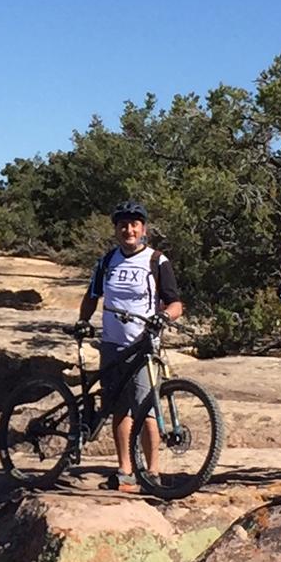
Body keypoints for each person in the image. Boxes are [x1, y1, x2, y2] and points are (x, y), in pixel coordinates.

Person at [77, 201, 184, 491]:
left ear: (143, 229)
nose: (129, 229)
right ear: (116, 230)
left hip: (144, 345)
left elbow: (175, 303)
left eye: (134, 224)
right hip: (112, 344)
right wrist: (82, 321)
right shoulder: (107, 261)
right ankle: (125, 470)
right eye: (123, 225)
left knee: (146, 408)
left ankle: (152, 471)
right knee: (118, 408)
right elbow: (92, 295)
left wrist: (164, 316)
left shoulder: (156, 261)